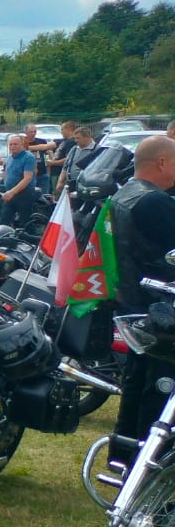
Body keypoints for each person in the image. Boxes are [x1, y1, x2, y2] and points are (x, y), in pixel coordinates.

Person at [109, 136, 175, 463]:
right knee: (159, 391)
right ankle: (150, 465)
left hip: (133, 303)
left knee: (135, 384)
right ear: (162, 162)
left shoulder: (123, 194)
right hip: (160, 309)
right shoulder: (155, 202)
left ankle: (123, 456)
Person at [0, 132, 37, 227]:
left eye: (15, 144)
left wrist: (12, 192)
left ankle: (31, 236)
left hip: (24, 194)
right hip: (10, 194)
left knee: (25, 223)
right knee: (4, 221)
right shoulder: (9, 158)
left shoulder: (28, 157)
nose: (12, 147)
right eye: (10, 144)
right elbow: (6, 174)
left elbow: (27, 178)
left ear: (21, 144)